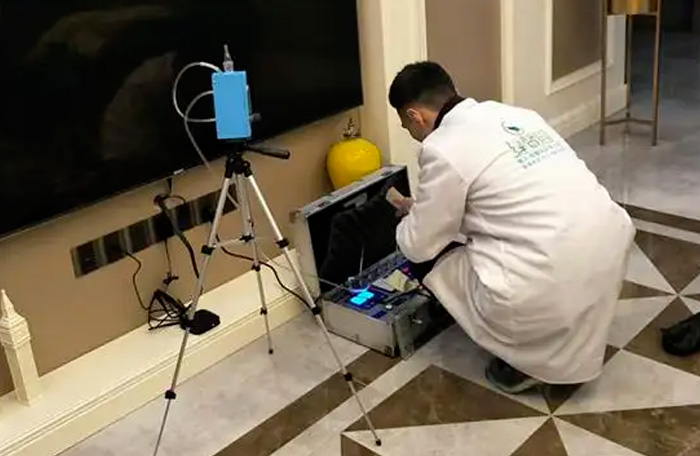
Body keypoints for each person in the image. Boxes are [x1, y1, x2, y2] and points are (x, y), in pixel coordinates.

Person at [387, 61, 635, 394]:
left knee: (422, 255)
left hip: (550, 274)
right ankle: (557, 330)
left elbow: (419, 244)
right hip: (607, 248)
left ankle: (525, 358)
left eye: (406, 126)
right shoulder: (517, 115)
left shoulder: (441, 147)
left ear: (415, 116)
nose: (412, 134)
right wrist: (425, 210)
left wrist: (409, 220)